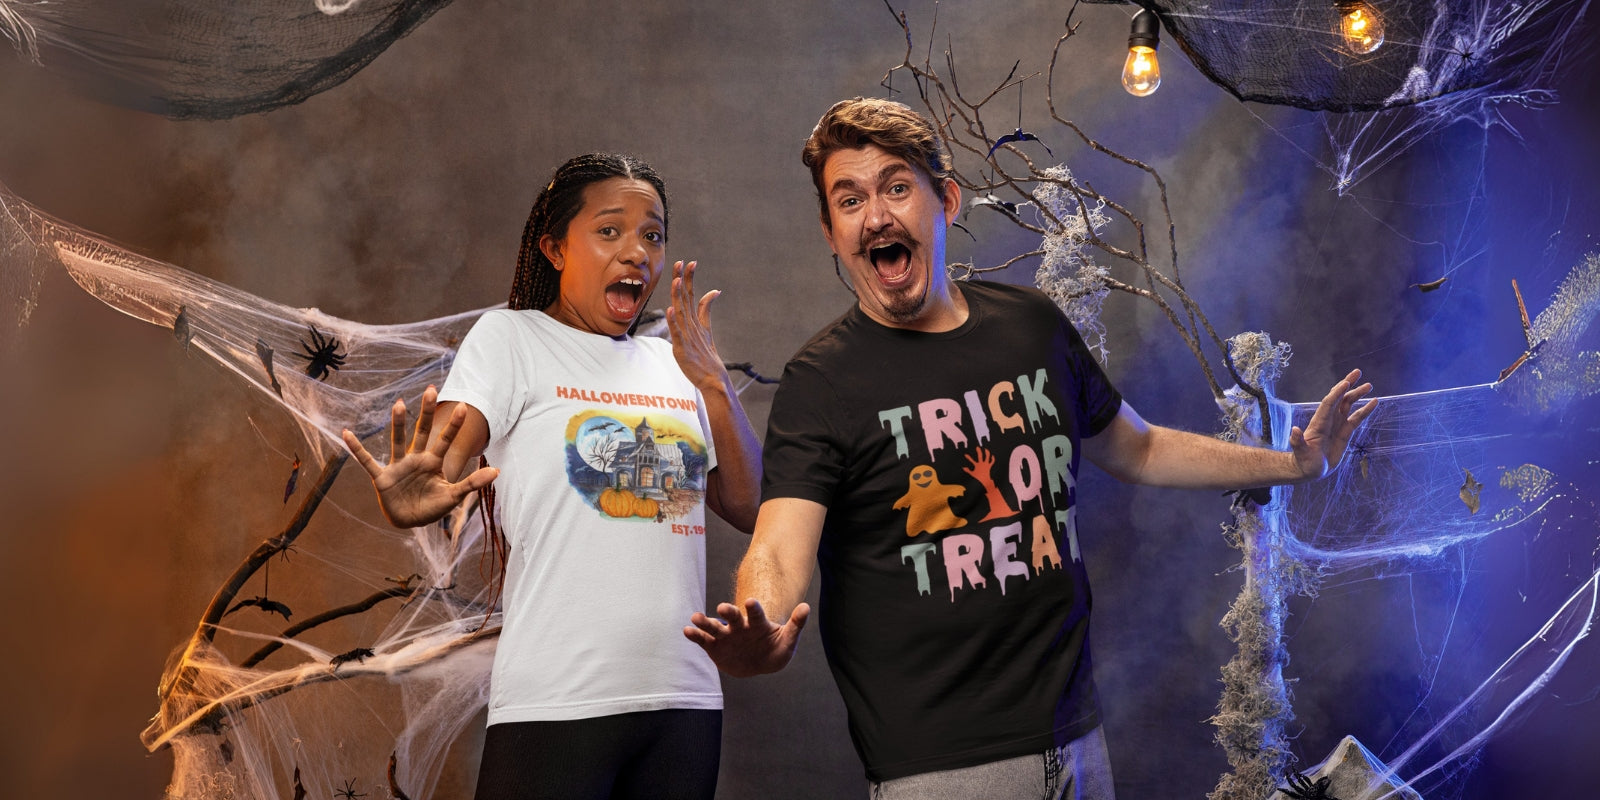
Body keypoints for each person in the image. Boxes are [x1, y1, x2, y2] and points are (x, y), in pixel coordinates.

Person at [682, 98, 1376, 799]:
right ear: (832, 232)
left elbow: (1137, 448)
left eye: (896, 187)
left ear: (945, 201)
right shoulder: (822, 381)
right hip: (943, 770)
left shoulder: (1031, 327)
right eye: (850, 200)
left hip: (1080, 744)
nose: (876, 216)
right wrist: (762, 622)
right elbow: (778, 548)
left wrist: (1294, 465)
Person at [342, 153, 761, 800]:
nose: (636, 252)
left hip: (684, 702)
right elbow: (448, 450)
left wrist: (715, 387)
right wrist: (424, 482)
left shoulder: (674, 364)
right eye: (609, 230)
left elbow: (750, 505)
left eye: (652, 235)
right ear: (555, 248)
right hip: (556, 701)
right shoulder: (512, 339)